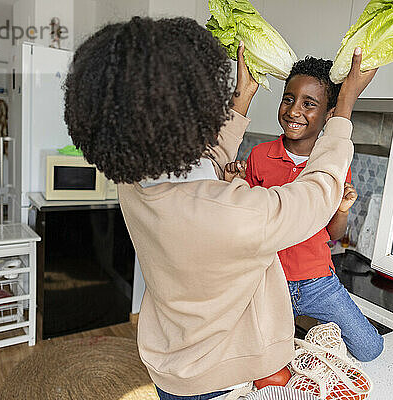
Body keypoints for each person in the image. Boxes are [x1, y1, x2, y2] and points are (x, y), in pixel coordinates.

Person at [64, 16, 376, 400]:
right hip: (218, 380)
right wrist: (344, 109)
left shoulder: (131, 179)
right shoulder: (235, 214)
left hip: (169, 364)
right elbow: (317, 193)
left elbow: (201, 161)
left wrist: (242, 97)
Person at [224, 57, 384, 362]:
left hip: (317, 282)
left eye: (309, 103)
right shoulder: (260, 155)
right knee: (255, 357)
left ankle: (308, 355)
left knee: (369, 348)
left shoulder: (333, 163)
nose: (294, 110)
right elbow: (252, 224)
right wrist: (237, 185)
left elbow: (334, 236)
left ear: (330, 115)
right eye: (289, 99)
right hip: (266, 279)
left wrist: (344, 209)